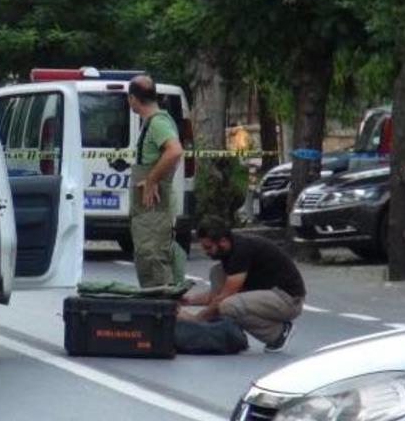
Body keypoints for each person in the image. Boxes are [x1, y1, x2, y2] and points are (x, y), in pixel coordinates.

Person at [179, 216, 305, 352]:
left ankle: (278, 334)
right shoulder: (230, 250)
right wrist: (188, 300)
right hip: (271, 293)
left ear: (222, 241)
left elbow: (224, 298)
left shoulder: (241, 251)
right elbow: (216, 295)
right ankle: (223, 328)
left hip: (288, 299)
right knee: (217, 272)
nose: (206, 252)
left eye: (208, 247)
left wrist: (196, 319)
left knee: (228, 306)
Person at [128, 74, 183, 287]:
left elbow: (174, 151)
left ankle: (161, 302)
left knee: (153, 255)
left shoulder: (158, 122)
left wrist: (151, 180)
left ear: (133, 98)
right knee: (147, 253)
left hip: (154, 205)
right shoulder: (152, 121)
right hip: (149, 208)